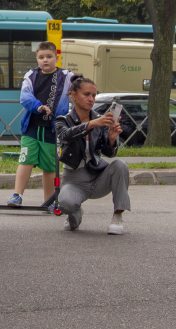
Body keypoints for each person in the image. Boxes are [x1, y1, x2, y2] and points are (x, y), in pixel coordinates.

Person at [55, 76, 128, 234]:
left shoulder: (99, 120)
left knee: (120, 165)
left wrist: (111, 139)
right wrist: (92, 124)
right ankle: (75, 213)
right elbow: (65, 135)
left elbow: (108, 153)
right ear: (73, 95)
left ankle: (117, 216)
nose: (91, 99)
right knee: (65, 204)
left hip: (97, 176)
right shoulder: (63, 120)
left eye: (94, 96)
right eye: (86, 94)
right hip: (74, 180)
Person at [7, 41, 73, 206]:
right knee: (25, 160)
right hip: (32, 128)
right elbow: (25, 96)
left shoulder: (67, 76)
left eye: (49, 57)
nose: (46, 60)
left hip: (53, 129)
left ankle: (49, 201)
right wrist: (39, 107)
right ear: (37, 59)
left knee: (50, 167)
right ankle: (17, 195)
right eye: (41, 57)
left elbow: (78, 91)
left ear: (56, 58)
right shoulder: (31, 75)